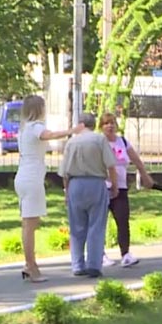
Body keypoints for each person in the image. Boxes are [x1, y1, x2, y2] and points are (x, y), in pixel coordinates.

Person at [13, 95, 80, 282]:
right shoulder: (35, 127)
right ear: (39, 109)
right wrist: (72, 131)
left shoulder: (24, 128)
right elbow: (48, 135)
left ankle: (30, 264)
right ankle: (31, 266)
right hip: (32, 178)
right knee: (30, 225)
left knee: (28, 224)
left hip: (24, 176)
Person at [59, 112, 117, 277]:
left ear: (81, 124)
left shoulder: (71, 142)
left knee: (76, 227)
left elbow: (65, 172)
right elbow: (111, 165)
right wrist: (113, 185)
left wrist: (66, 191)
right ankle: (94, 265)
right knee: (96, 226)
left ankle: (77, 265)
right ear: (93, 124)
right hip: (96, 183)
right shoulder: (99, 140)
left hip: (75, 184)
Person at [99, 112, 153, 267]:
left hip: (121, 187)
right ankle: (100, 254)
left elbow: (136, 160)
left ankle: (126, 254)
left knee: (122, 220)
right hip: (103, 187)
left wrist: (144, 175)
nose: (110, 126)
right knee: (100, 222)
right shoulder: (99, 142)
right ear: (101, 127)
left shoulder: (122, 141)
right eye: (106, 123)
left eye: (112, 123)